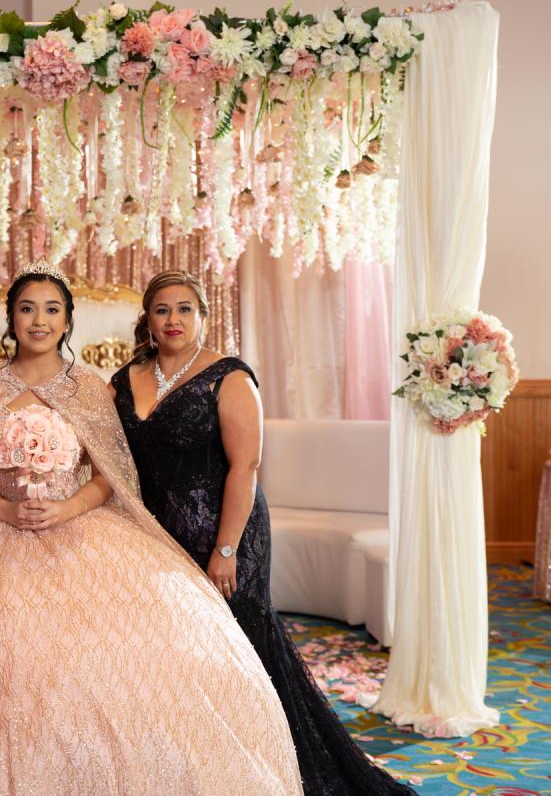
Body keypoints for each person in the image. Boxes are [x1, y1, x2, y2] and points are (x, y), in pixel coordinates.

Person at [0, 261, 303, 795]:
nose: (39, 321)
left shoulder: (90, 388)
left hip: (77, 527)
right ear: (11, 318)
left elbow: (111, 476)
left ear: (67, 321)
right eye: (27, 309)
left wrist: (68, 509)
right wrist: (2, 508)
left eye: (51, 310)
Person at [111, 270, 416, 796]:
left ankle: (271, 766)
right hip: (155, 540)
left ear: (203, 317)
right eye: (162, 309)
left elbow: (245, 466)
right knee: (175, 654)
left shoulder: (228, 376)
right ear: (148, 320)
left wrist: (226, 549)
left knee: (242, 652)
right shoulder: (124, 379)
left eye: (185, 309)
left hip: (225, 535)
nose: (173, 319)